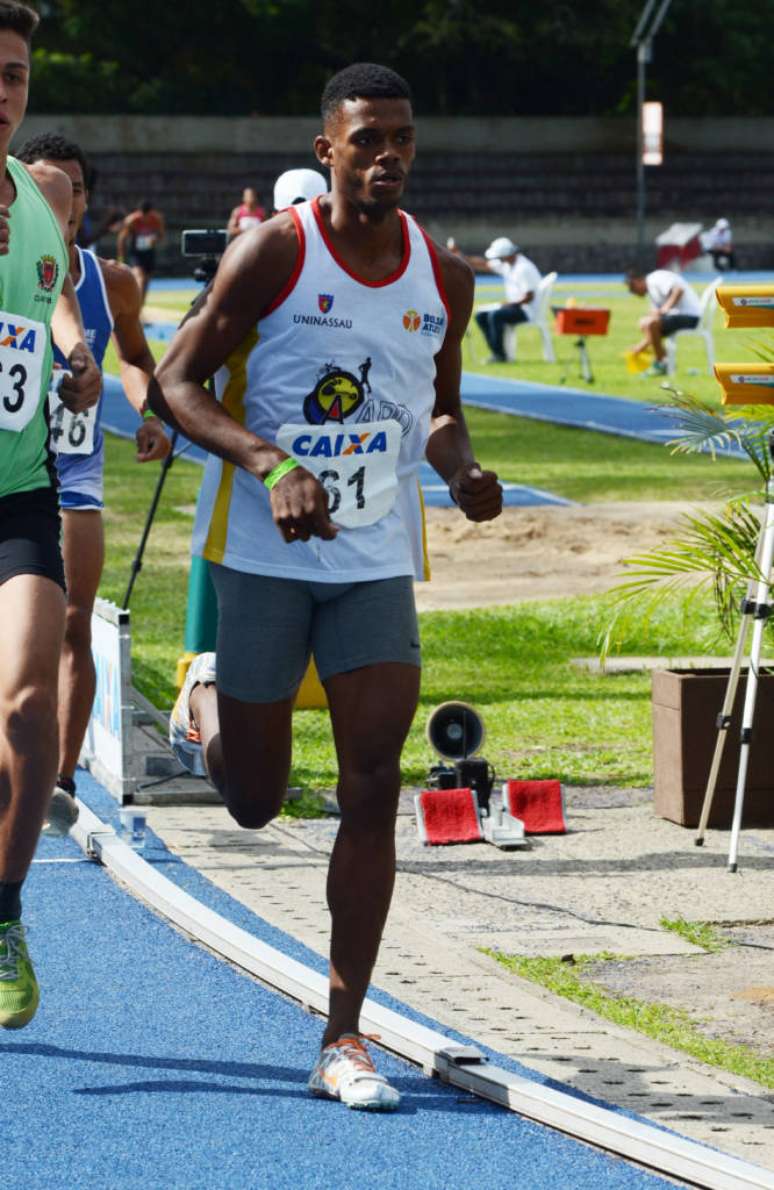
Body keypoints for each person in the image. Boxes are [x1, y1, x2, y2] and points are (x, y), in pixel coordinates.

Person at [149, 61, 502, 1109]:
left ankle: (344, 1032)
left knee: (372, 784)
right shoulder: (276, 254)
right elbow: (176, 383)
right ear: (327, 150)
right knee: (255, 803)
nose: (386, 156)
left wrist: (460, 467)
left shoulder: (442, 274)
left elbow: (437, 405)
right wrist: (269, 464)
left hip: (374, 562)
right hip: (262, 559)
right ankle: (204, 698)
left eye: (402, 139)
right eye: (367, 140)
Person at [16, 132, 171, 835]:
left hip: (75, 469)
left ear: (85, 199)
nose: (64, 200)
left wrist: (148, 413)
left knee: (77, 623)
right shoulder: (14, 256)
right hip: (13, 461)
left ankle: (61, 778)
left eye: (75, 188)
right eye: (51, 186)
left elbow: (136, 359)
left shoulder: (113, 283)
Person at [0, 1, 101, 1030]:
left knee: (28, 707)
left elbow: (56, 293)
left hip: (19, 489)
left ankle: (4, 908)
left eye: (16, 76)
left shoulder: (37, 193)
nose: (2, 94)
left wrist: (75, 360)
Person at [453, 236, 541, 363]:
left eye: (499, 257)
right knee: (480, 316)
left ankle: (500, 355)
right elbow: (484, 264)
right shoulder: (508, 263)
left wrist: (507, 304)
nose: (497, 260)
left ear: (507, 255)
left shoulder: (523, 268)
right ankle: (496, 352)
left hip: (527, 310)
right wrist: (461, 257)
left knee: (495, 316)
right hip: (516, 306)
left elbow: (529, 297)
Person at [626, 265, 701, 376]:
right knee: (645, 323)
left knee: (650, 323)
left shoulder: (656, 278)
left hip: (690, 316)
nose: (634, 293)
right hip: (679, 315)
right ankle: (666, 363)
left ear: (637, 281)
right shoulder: (651, 290)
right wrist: (640, 347)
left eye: (632, 289)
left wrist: (664, 309)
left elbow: (678, 290)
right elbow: (654, 332)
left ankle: (661, 364)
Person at [116, 199, 165, 300]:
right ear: (139, 212)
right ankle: (134, 302)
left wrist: (155, 239)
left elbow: (161, 235)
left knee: (146, 281)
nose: (145, 219)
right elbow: (122, 239)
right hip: (136, 253)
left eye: (147, 216)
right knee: (140, 278)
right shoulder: (132, 220)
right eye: (143, 215)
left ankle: (140, 306)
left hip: (149, 252)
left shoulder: (156, 219)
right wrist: (120, 257)